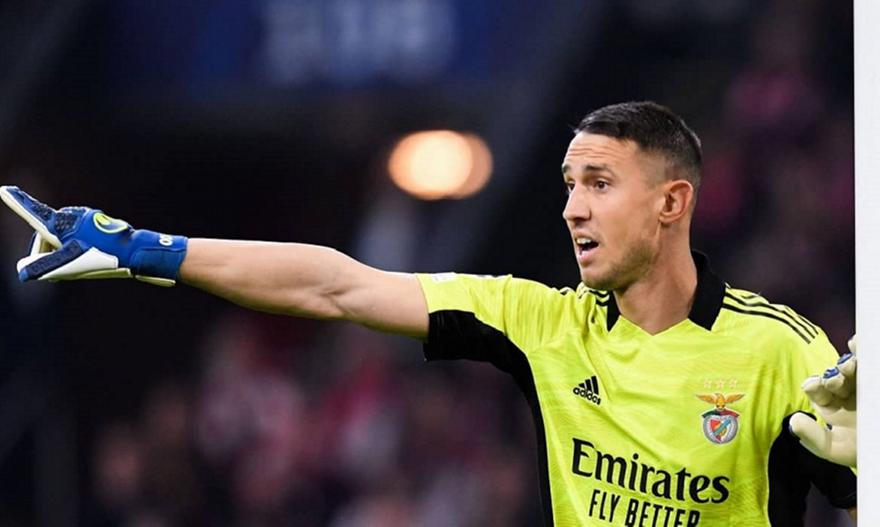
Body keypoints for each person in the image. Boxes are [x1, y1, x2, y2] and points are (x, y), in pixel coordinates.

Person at [1, 102, 856, 526]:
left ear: (673, 202)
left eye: (600, 184)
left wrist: (870, 465)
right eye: (569, 185)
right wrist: (146, 248)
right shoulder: (540, 323)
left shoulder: (780, 350)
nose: (573, 209)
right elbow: (338, 286)